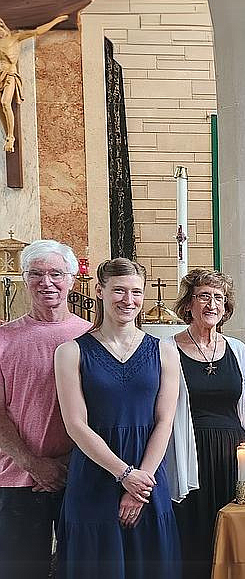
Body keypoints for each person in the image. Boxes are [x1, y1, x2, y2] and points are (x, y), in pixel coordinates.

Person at [54, 258, 181, 578]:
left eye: (136, 292)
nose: (129, 300)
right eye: (119, 291)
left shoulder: (165, 350)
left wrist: (141, 483)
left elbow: (165, 421)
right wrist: (124, 474)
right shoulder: (70, 352)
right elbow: (75, 425)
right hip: (94, 477)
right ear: (100, 291)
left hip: (148, 475)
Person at [167, 268, 245, 579]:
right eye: (204, 297)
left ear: (226, 308)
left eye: (218, 298)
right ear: (188, 305)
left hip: (234, 453)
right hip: (190, 449)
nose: (211, 304)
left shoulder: (237, 348)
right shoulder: (167, 348)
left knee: (235, 526)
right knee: (194, 529)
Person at [0, 240, 91, 578]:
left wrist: (67, 463)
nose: (46, 282)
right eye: (36, 274)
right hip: (16, 479)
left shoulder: (90, 337)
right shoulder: (4, 339)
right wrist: (33, 464)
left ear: (71, 279)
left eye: (56, 273)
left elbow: (102, 412)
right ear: (25, 279)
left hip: (80, 476)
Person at [0, 15, 67, 152]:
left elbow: (37, 31)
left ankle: (11, 137)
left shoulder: (15, 37)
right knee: (1, 107)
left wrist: (56, 21)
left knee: (5, 103)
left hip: (10, 74)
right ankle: (8, 136)